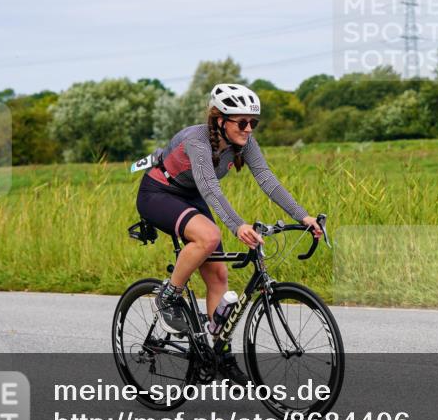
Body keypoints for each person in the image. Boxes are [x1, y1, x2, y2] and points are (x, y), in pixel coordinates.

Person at [135, 83, 323, 386]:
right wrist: (237, 225)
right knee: (208, 237)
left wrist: (303, 216)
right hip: (159, 193)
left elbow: (266, 179)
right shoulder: (197, 141)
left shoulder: (243, 142)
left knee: (219, 277)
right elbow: (210, 188)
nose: (249, 128)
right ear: (219, 119)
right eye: (242, 122)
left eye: (253, 122)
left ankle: (219, 357)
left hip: (190, 196)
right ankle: (167, 296)